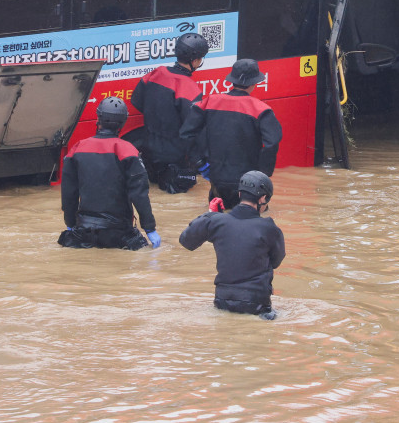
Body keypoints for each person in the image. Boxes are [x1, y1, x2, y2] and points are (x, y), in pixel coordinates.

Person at [179, 170, 285, 320]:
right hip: (256, 304)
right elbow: (276, 261)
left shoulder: (216, 221)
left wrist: (210, 215)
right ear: (263, 198)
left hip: (222, 301)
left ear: (240, 194)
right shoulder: (269, 228)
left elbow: (186, 241)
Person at [58, 97, 160, 251]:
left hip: (84, 233)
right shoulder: (127, 151)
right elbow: (139, 195)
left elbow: (68, 194)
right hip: (119, 233)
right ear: (123, 122)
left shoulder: (77, 149)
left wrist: (70, 224)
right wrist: (150, 228)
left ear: (98, 119)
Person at [181, 58, 282, 211]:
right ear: (255, 83)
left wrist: (200, 164)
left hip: (217, 181)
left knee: (216, 219)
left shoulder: (209, 102)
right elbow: (272, 143)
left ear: (231, 80)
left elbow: (186, 134)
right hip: (248, 186)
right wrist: (262, 176)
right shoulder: (261, 110)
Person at [131, 32, 209, 194]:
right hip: (173, 162)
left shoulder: (156, 73)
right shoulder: (189, 88)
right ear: (195, 61)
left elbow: (136, 101)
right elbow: (193, 130)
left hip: (148, 156)